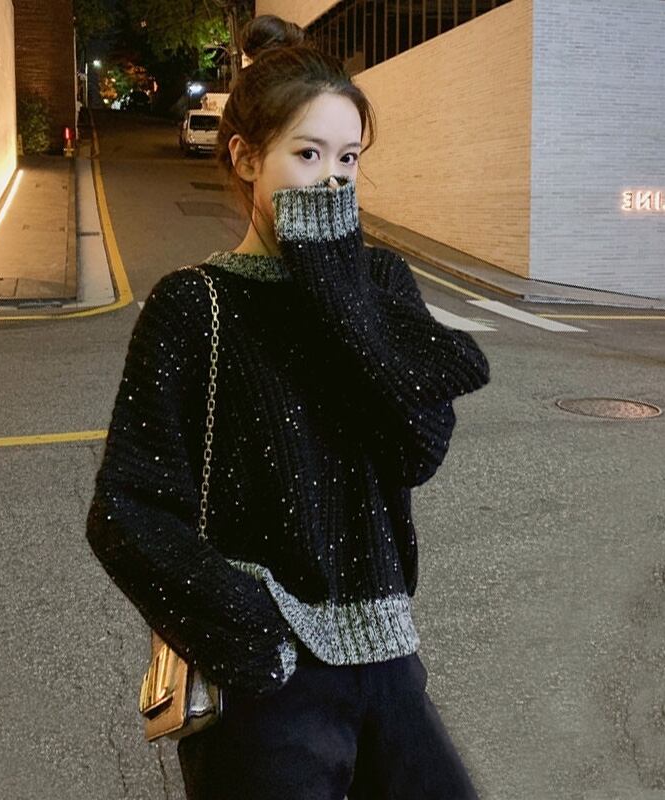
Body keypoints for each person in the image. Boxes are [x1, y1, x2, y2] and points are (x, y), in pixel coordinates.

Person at [86, 13, 491, 800]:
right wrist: (249, 627)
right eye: (308, 155)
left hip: (387, 659)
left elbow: (418, 447)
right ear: (245, 158)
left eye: (348, 158)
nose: (333, 180)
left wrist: (339, 291)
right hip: (267, 681)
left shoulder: (378, 285)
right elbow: (125, 509)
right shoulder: (194, 306)